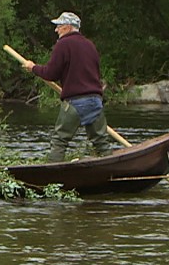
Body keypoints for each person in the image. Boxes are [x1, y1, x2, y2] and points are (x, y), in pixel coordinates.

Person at [22, 12, 110, 162]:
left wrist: (33, 67)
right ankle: (112, 168)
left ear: (68, 27)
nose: (56, 30)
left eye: (59, 26)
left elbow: (51, 73)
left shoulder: (63, 44)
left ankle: (52, 178)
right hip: (95, 100)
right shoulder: (90, 45)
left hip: (75, 102)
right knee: (101, 143)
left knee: (59, 141)